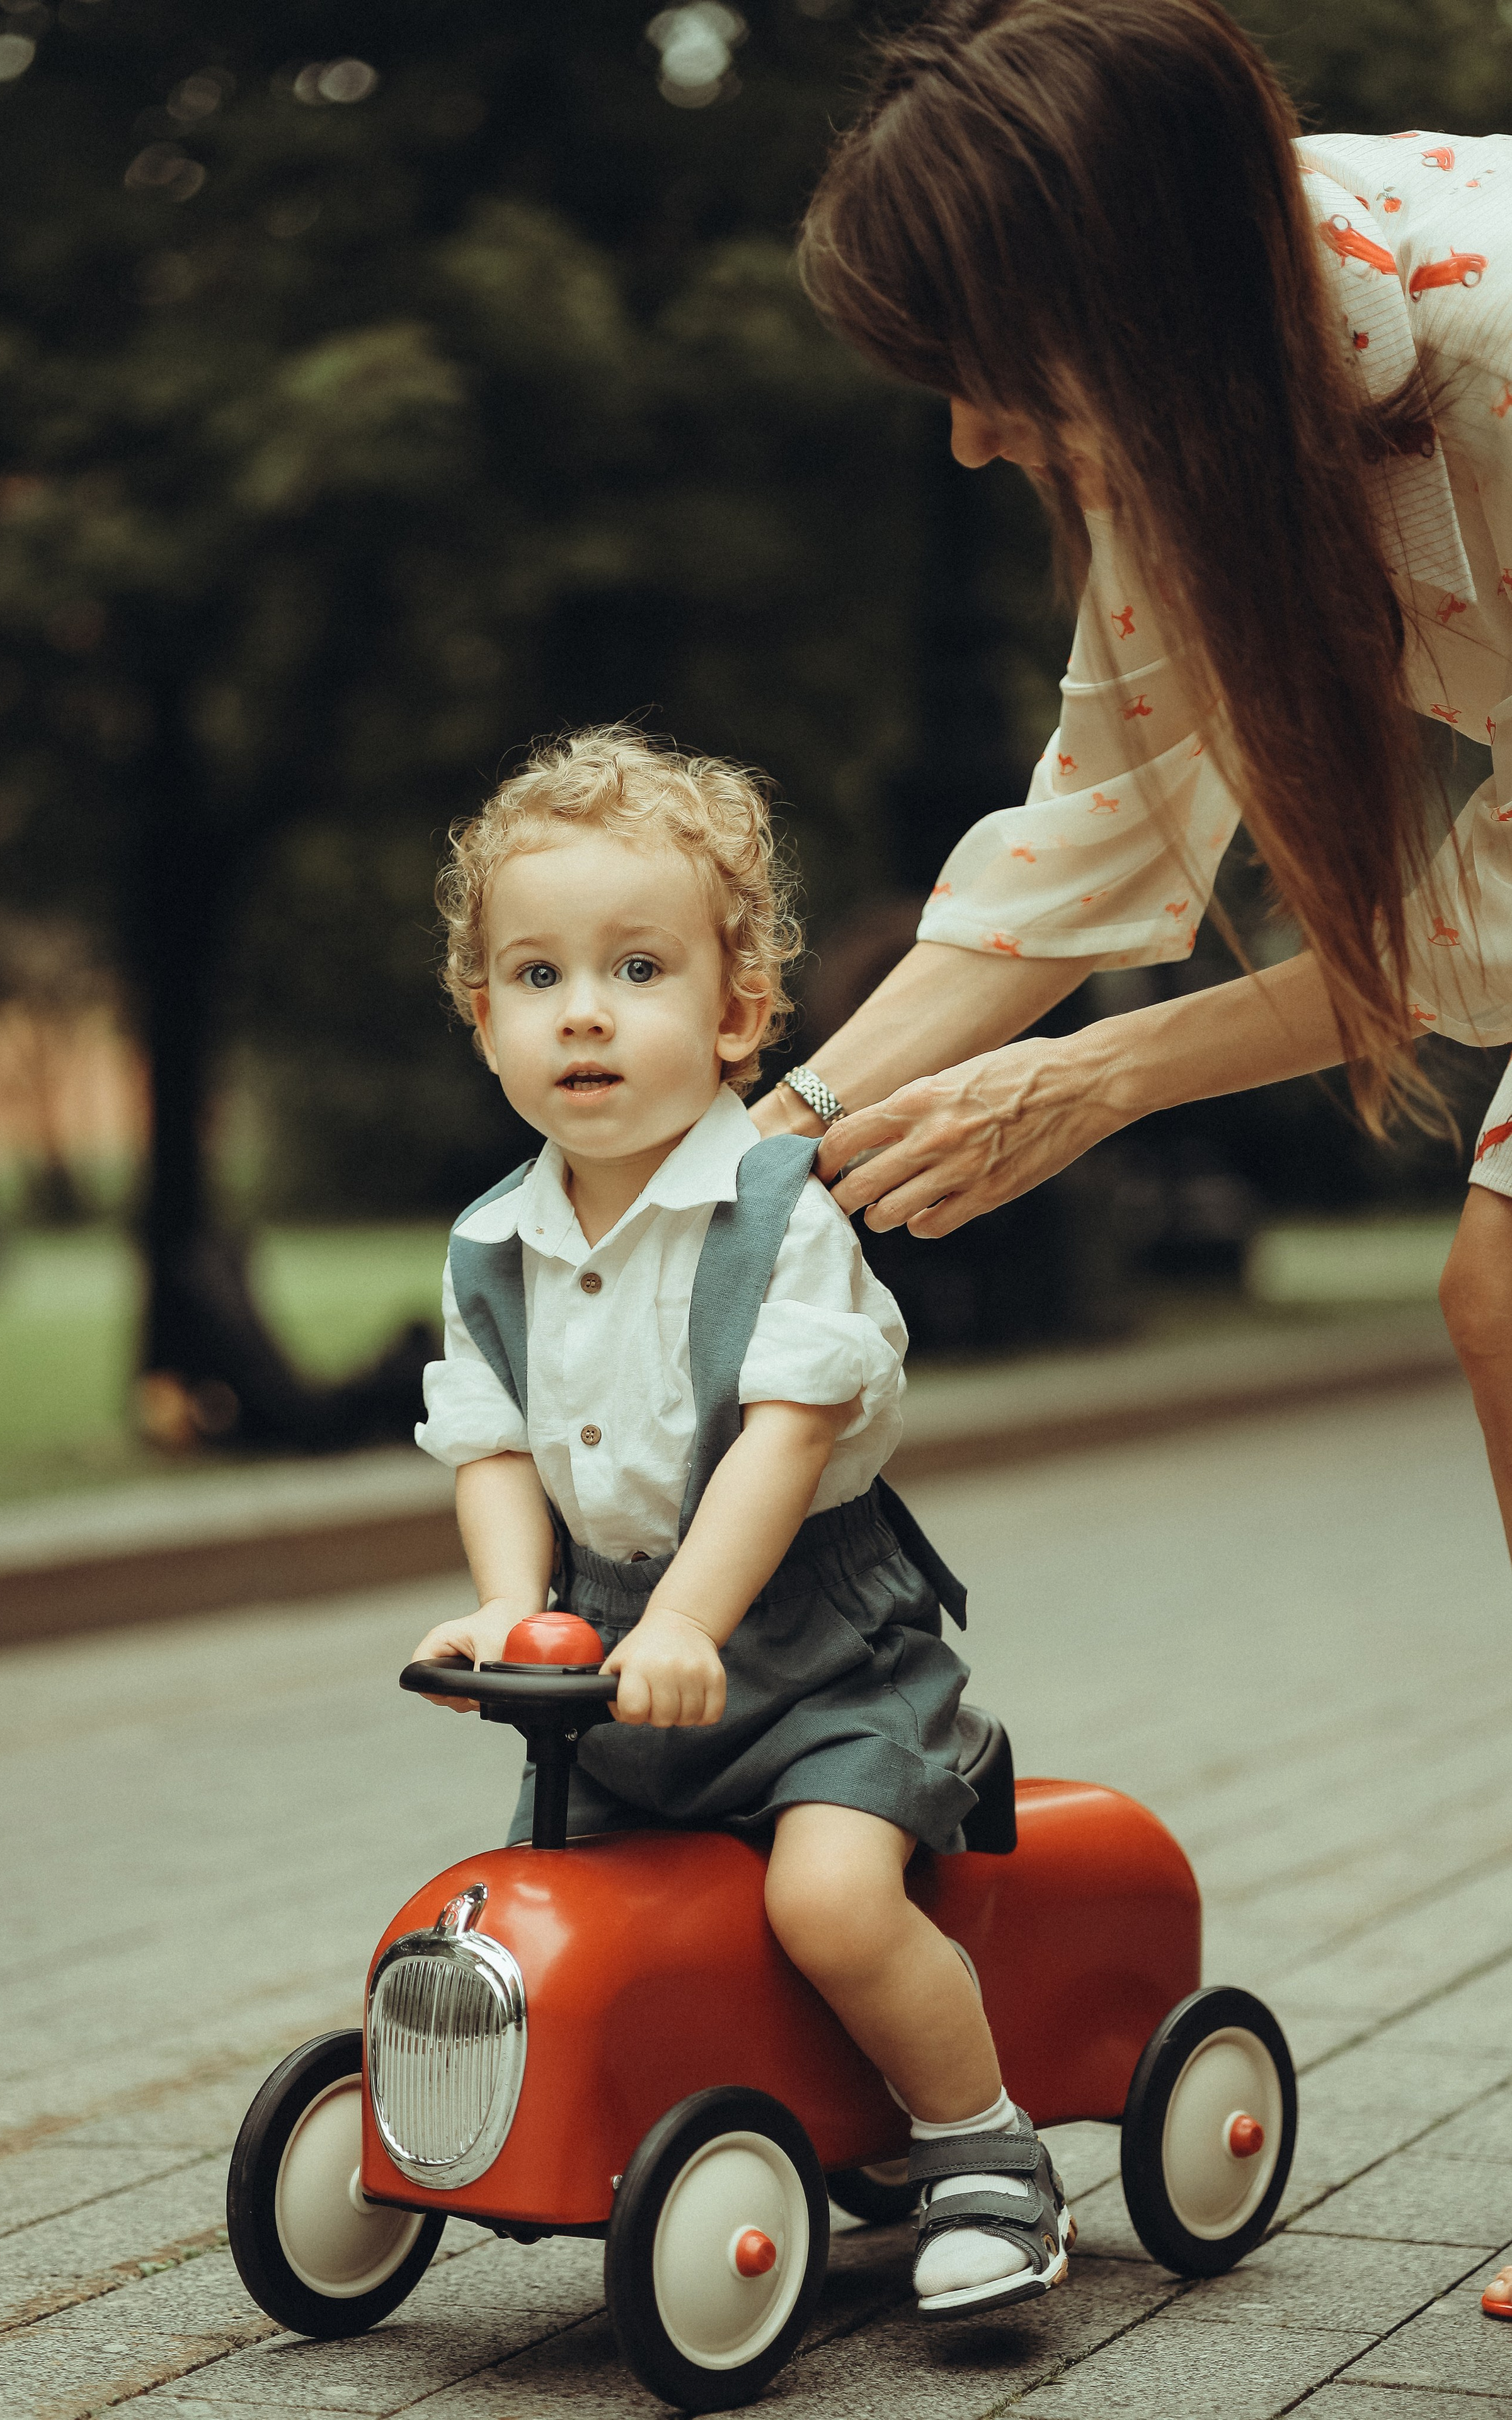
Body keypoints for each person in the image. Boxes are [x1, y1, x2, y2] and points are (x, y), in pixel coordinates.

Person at [747, 0, 1512, 2319]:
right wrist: (759, 1158)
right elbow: (1086, 849)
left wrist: (1103, 1082)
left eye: (999, 372)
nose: (980, 443)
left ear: (1143, 304)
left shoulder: (1487, 335)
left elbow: (1473, 934)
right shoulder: (1214, 427)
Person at [408, 725, 1072, 2319]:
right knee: (538, 1901)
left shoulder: (779, 1216)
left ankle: (978, 2147)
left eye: (637, 968)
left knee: (825, 1898)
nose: (583, 1010)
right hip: (615, 1661)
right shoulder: (491, 1241)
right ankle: (608, 2118)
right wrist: (511, 1607)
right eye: (535, 974)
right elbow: (489, 1443)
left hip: (819, 1652)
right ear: (479, 1017)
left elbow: (782, 1444)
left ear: (737, 1015)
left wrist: (693, 1619)